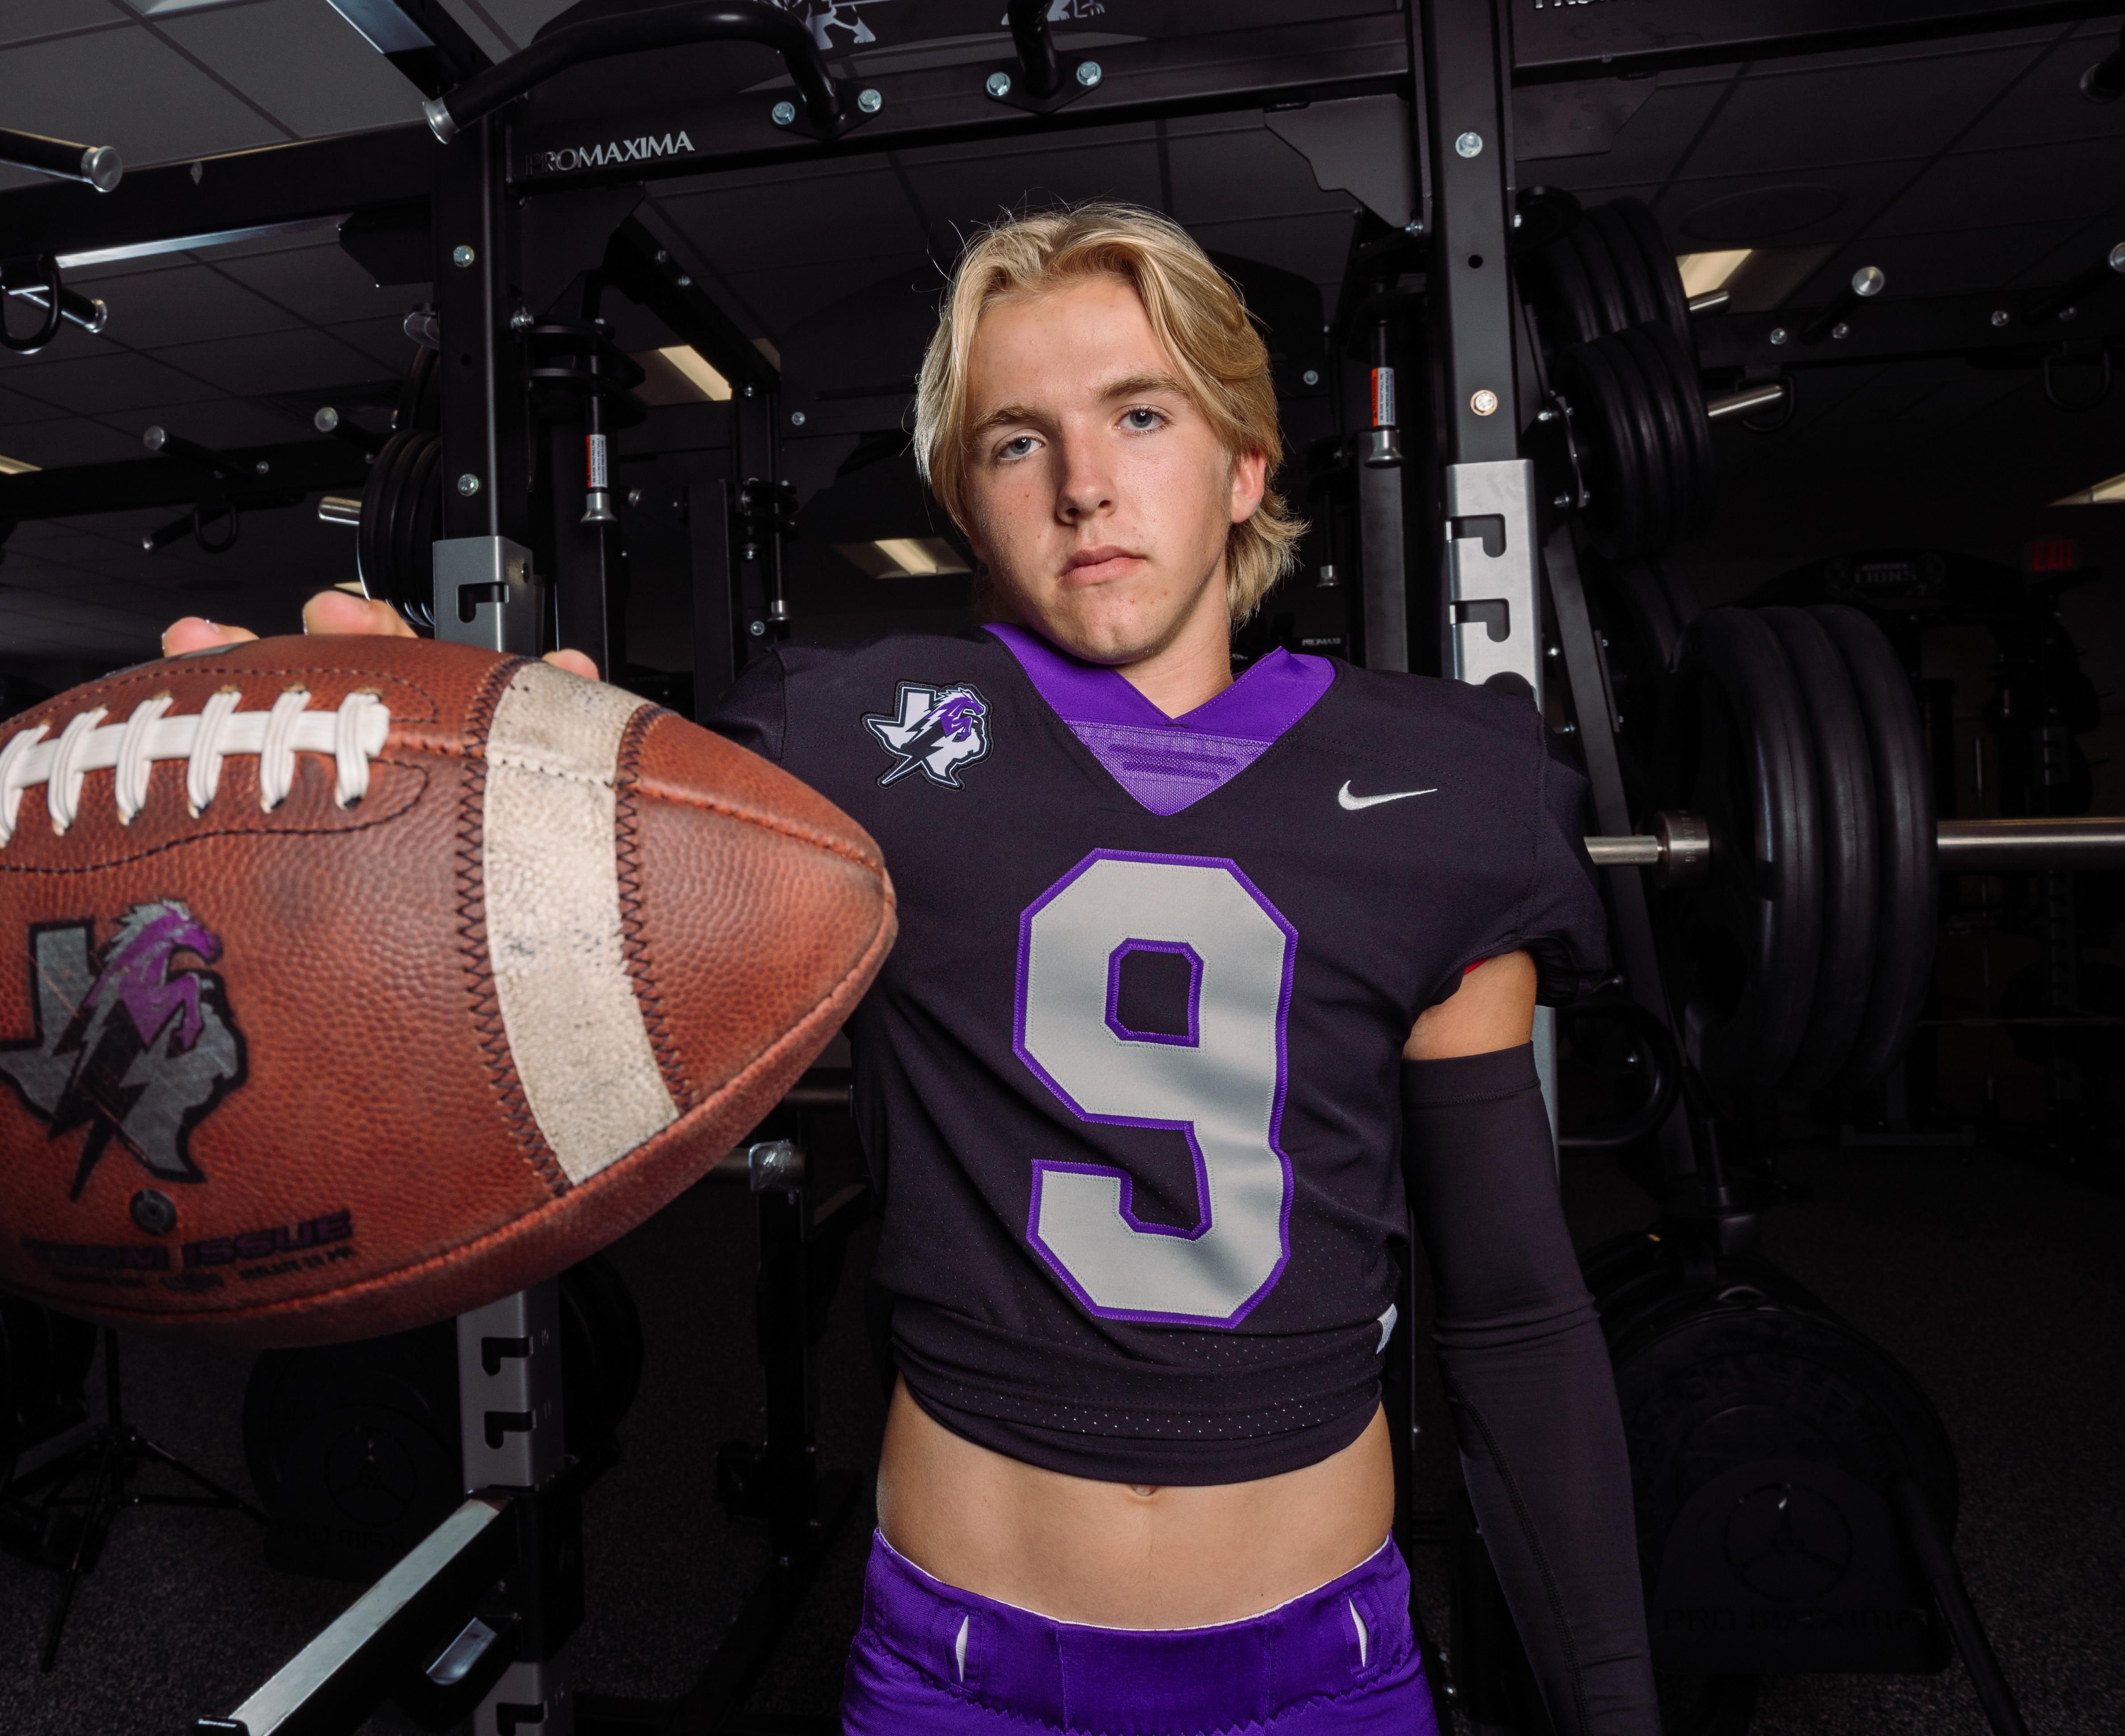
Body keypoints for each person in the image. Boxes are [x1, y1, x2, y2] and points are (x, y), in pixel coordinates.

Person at [166, 203, 1656, 1734]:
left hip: (1321, 1673)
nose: (1084, 484)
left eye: (1142, 415)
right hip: (962, 1672)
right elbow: (521, 891)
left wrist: (1611, 1706)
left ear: (1246, 466)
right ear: (966, 503)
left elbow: (1514, 1308)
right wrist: (361, 804)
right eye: (1018, 442)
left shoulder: (1448, 788)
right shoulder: (844, 741)